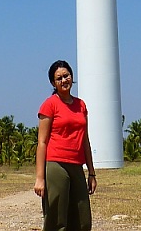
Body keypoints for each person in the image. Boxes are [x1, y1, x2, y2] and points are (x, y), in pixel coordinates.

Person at [34, 60, 97, 231]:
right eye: (59, 78)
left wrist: (91, 173)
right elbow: (42, 142)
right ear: (53, 83)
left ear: (72, 76)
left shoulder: (81, 105)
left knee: (82, 218)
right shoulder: (50, 104)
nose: (64, 80)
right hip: (55, 164)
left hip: (76, 165)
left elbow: (85, 140)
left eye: (66, 76)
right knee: (57, 218)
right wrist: (40, 178)